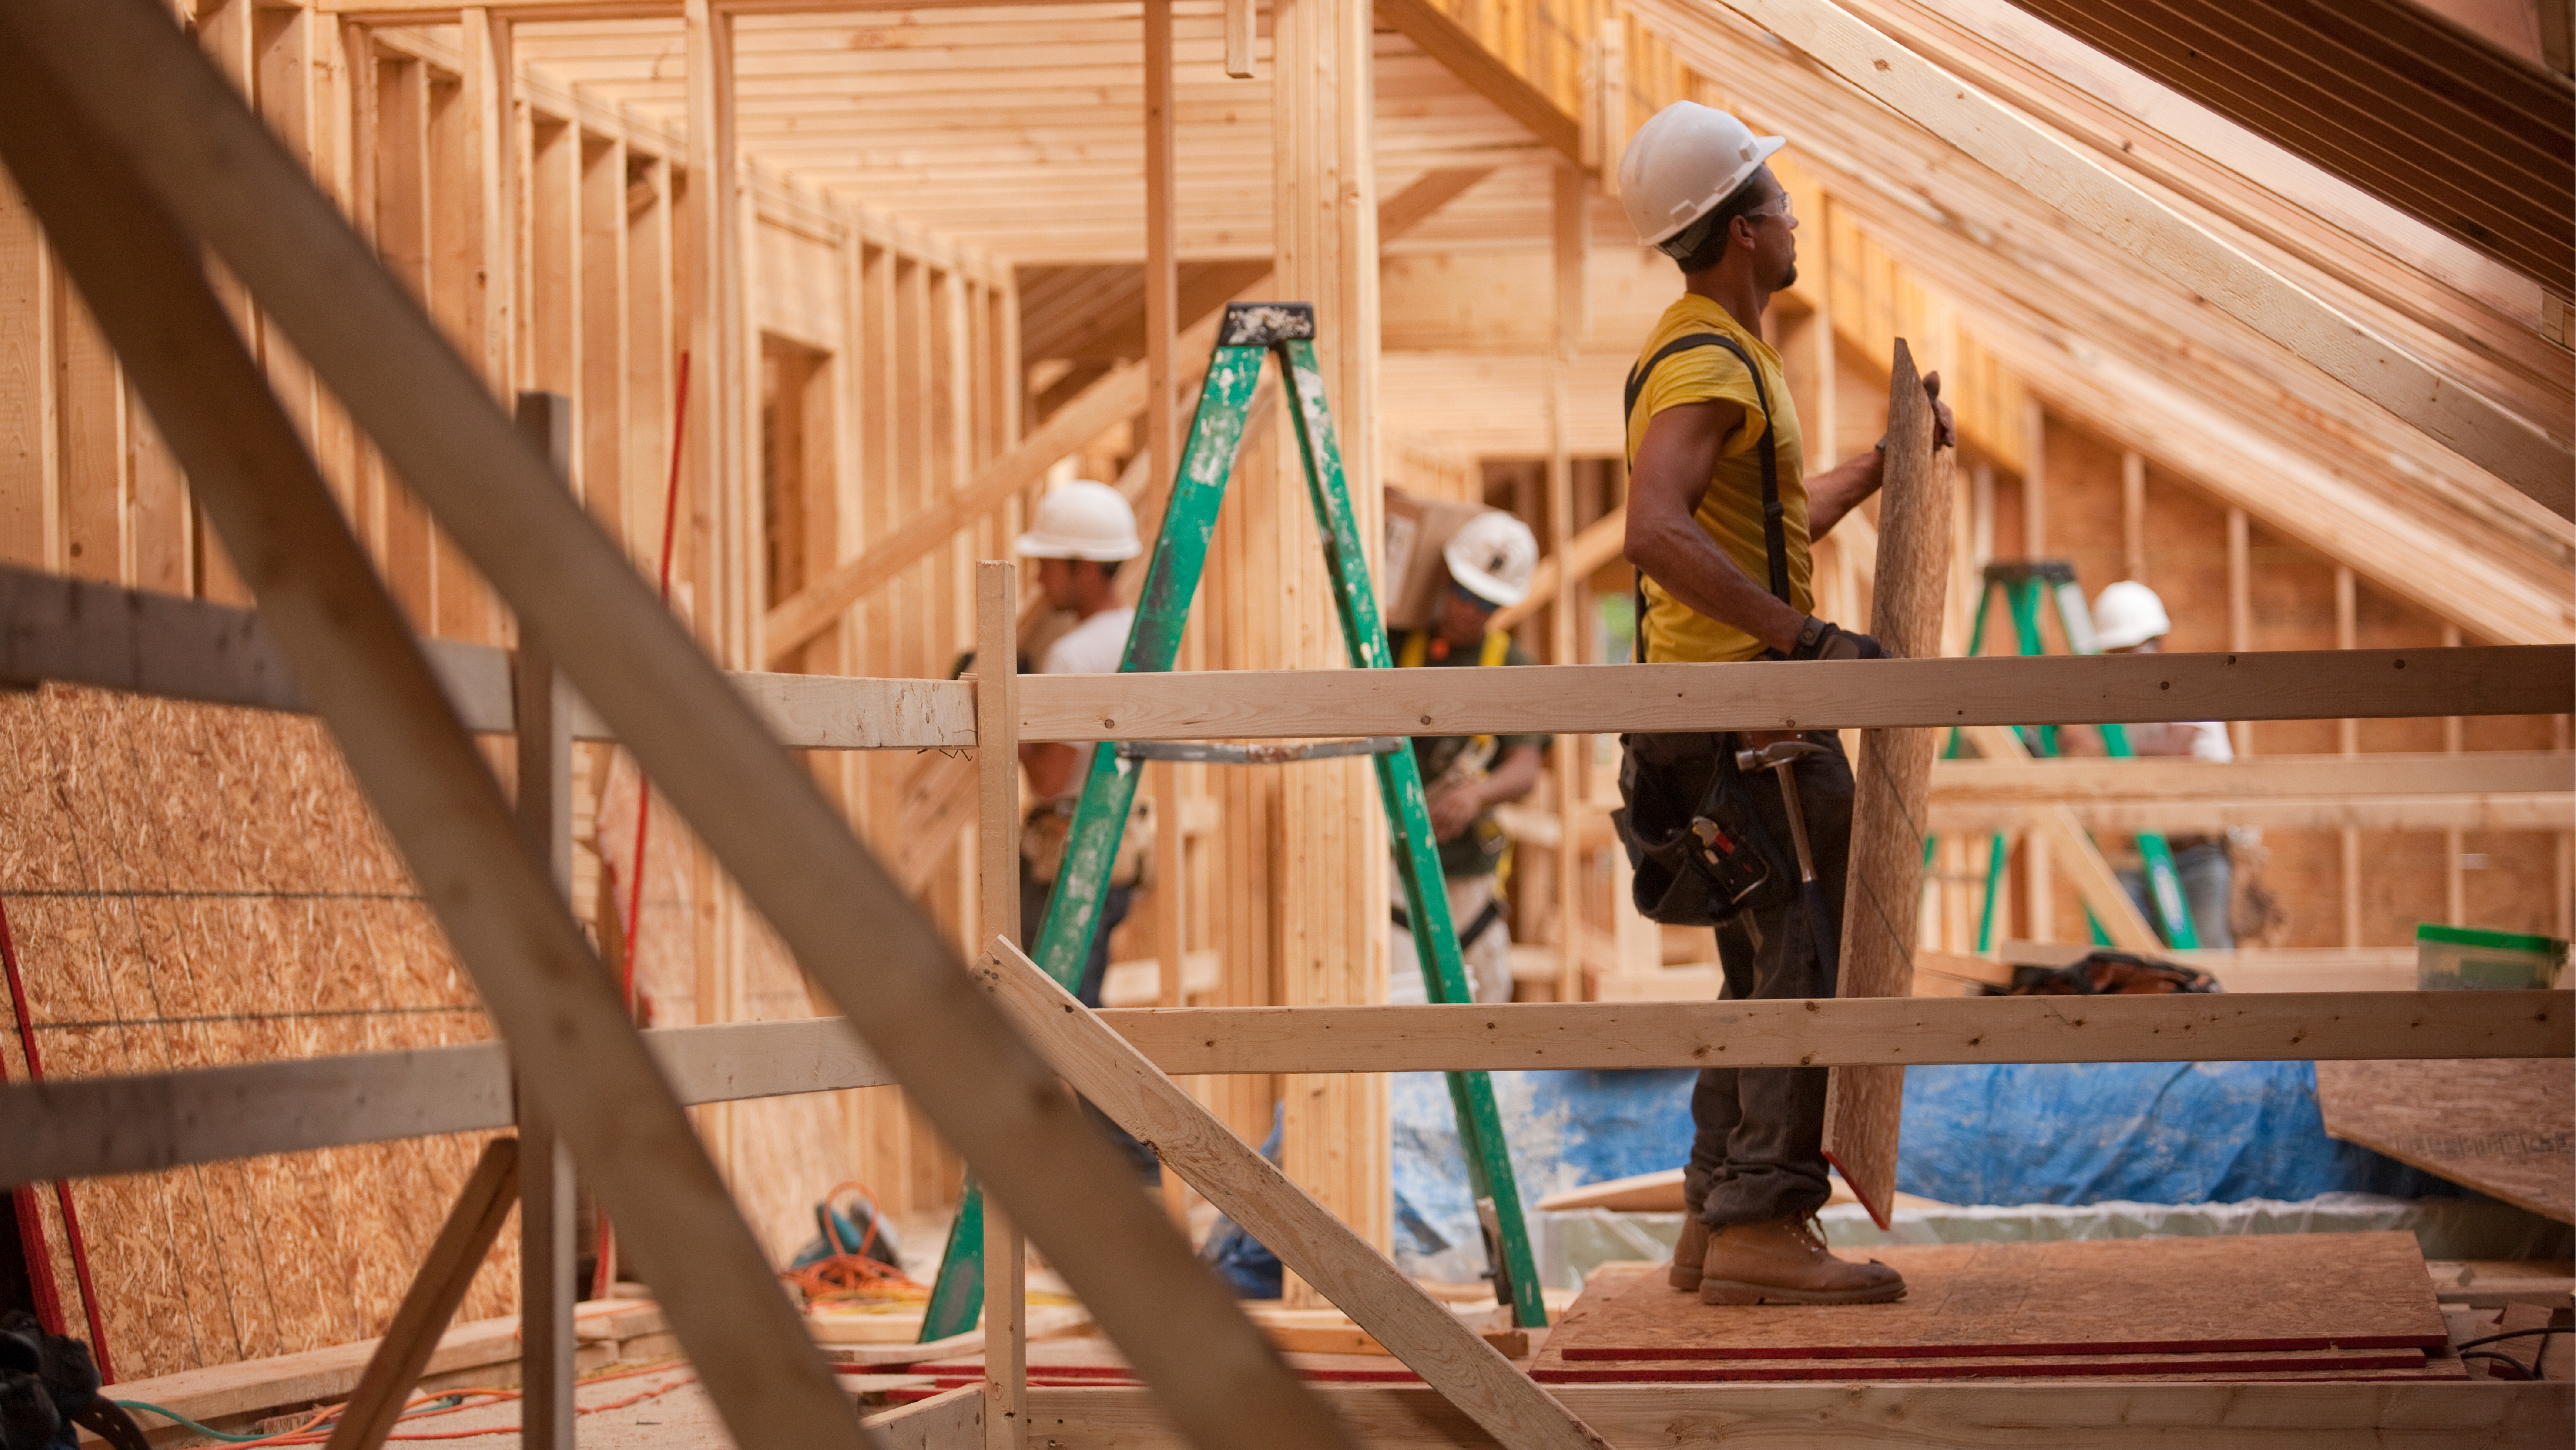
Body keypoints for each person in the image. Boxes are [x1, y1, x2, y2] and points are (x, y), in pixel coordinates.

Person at [1614, 101, 1954, 1307]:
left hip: (1712, 710)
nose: (1795, 213)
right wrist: (1803, 641)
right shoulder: (1709, 359)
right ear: (1745, 229)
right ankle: (1762, 1222)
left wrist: (1871, 468)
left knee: (1761, 968)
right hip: (1741, 725)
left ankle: (1718, 1210)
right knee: (1804, 957)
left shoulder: (1705, 347)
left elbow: (1743, 537)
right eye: (1778, 197)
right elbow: (1651, 530)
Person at [1014, 478, 1160, 1182]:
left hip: (1070, 857)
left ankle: (1130, 1180)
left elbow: (1048, 777)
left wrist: (1009, 718)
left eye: (1049, 563)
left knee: (1067, 1026)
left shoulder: (1072, 656)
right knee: (1079, 1015)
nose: (1039, 578)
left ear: (1082, 566)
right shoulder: (1132, 637)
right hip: (1115, 853)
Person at [1387, 510, 1553, 1007]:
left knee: (1483, 1011)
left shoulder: (1511, 665)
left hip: (1471, 877)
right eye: (1462, 592)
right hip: (1396, 872)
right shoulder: (1395, 649)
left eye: (1484, 603)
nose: (1467, 610)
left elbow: (1526, 767)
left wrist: (1475, 794)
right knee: (1404, 1006)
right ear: (1444, 578)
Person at [2089, 580, 2237, 950]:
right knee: (2128, 957)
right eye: (2115, 654)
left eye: (2131, 653)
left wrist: (2101, 747)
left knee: (2209, 965)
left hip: (2198, 854)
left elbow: (2177, 748)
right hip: (2141, 851)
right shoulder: (2119, 706)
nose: (2124, 665)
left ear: (2160, 646)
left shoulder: (2189, 689)